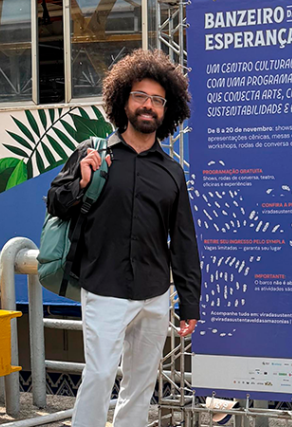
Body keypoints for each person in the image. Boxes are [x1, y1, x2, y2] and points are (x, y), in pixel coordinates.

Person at [46, 49, 200, 427]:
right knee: (98, 376)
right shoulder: (92, 154)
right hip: (104, 288)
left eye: (157, 100)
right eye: (140, 96)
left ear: (167, 110)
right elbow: (55, 202)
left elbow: (183, 242)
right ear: (123, 101)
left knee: (141, 384)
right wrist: (80, 181)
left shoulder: (172, 173)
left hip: (154, 293)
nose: (148, 106)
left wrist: (190, 303)